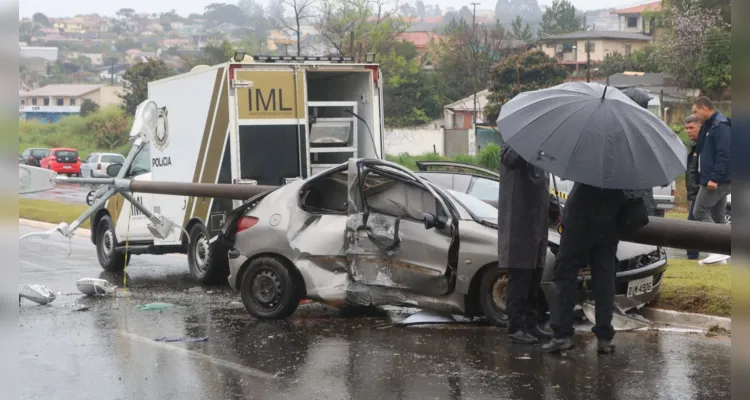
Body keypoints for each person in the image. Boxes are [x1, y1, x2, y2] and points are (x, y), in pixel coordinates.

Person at [543, 183, 643, 354]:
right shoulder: (623, 166)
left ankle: (561, 335)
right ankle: (604, 337)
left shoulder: (586, 162)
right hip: (609, 219)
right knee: (604, 280)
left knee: (565, 276)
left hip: (579, 220)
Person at [497, 144, 557, 344]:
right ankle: (515, 327)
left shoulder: (541, 156)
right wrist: (530, 142)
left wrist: (554, 208)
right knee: (520, 280)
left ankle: (531, 325)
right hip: (519, 227)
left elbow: (541, 190)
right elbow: (511, 159)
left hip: (537, 228)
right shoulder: (513, 146)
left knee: (534, 280)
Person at [691, 96, 731, 224]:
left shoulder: (720, 126)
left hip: (716, 179)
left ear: (704, 108)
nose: (695, 116)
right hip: (714, 177)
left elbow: (724, 154)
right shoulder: (708, 125)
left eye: (695, 111)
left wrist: (715, 178)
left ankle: (715, 243)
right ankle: (726, 243)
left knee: (700, 211)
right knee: (717, 216)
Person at [684, 115, 702, 260]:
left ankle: (692, 255)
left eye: (692, 128)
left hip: (701, 191)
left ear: (700, 127)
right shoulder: (694, 146)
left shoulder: (703, 145)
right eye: (686, 128)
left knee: (692, 227)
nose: (688, 131)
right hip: (695, 192)